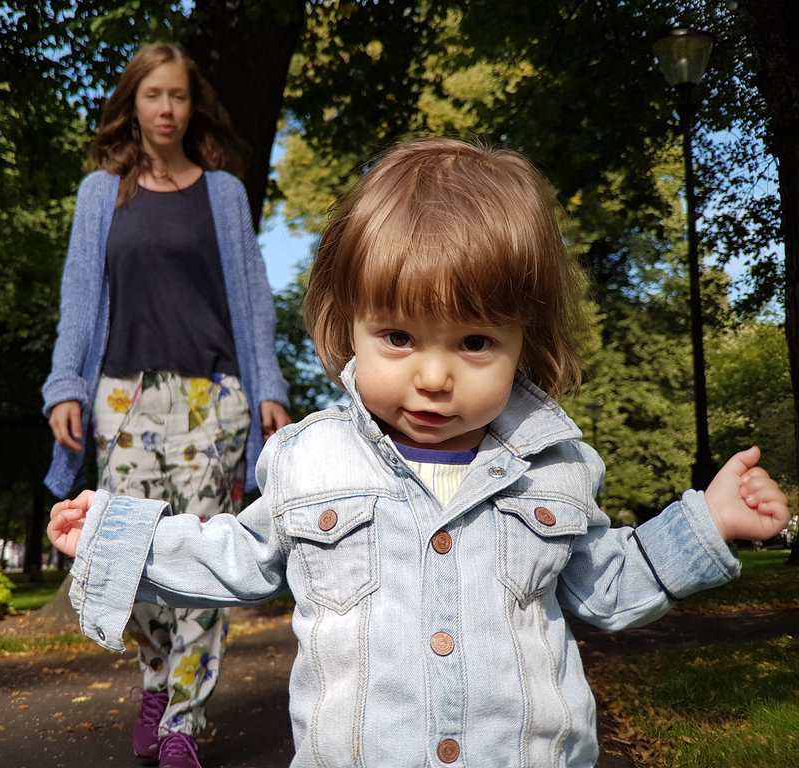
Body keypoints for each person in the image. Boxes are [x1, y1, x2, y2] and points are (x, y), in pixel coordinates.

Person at [47, 137, 789, 768]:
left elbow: (609, 585)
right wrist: (115, 538)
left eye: (474, 342)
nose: (433, 377)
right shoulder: (312, 460)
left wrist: (707, 521)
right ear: (350, 323)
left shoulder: (556, 466)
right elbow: (234, 553)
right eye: (399, 337)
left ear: (523, 338)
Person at [41, 42, 291, 768]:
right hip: (123, 397)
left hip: (214, 399)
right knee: (134, 556)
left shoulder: (223, 194)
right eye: (153, 95)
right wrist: (65, 384)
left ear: (193, 107)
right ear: (133, 104)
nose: (166, 109)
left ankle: (184, 719)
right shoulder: (101, 193)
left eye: (178, 96)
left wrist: (268, 386)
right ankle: (155, 679)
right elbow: (79, 302)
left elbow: (253, 304)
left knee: (207, 561)